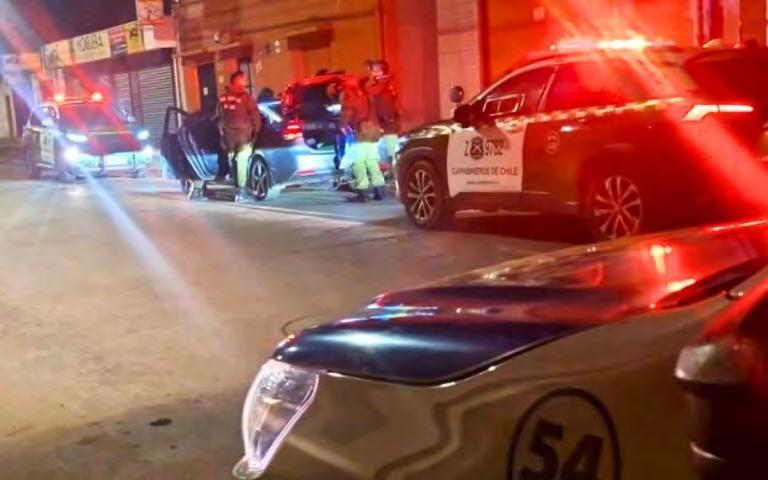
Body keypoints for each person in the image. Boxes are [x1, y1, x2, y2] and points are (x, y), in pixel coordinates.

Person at [339, 77, 385, 202]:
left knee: (358, 162)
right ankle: (378, 189)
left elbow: (348, 111)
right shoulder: (367, 93)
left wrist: (342, 125)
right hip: (374, 129)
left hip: (362, 131)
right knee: (371, 161)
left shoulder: (350, 95)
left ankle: (362, 192)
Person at [218, 71, 262, 201]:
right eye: (243, 79)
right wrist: (256, 132)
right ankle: (241, 190)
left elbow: (218, 116)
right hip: (242, 135)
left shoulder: (222, 98)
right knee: (243, 160)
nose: (245, 81)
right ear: (238, 81)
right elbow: (255, 116)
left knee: (233, 161)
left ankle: (233, 183)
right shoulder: (245, 97)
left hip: (228, 136)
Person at [365, 59, 400, 166]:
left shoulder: (387, 84)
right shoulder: (374, 85)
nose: (374, 73)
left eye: (377, 70)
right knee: (381, 152)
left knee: (392, 151)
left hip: (389, 123)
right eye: (373, 70)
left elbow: (375, 93)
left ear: (383, 71)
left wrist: (382, 82)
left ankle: (393, 169)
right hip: (378, 124)